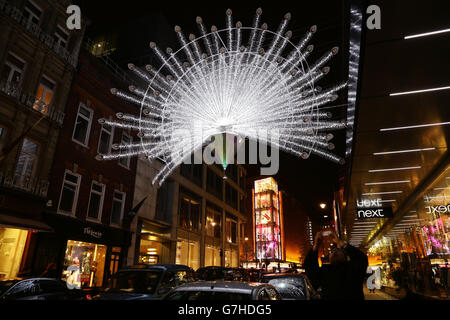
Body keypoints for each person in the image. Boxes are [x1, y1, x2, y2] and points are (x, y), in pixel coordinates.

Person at [304, 231, 368, 300]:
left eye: (338, 250)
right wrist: (316, 245)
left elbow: (361, 258)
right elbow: (310, 268)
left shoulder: (353, 269)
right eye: (332, 252)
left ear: (346, 257)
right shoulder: (325, 271)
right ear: (329, 259)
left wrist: (340, 243)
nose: (334, 251)